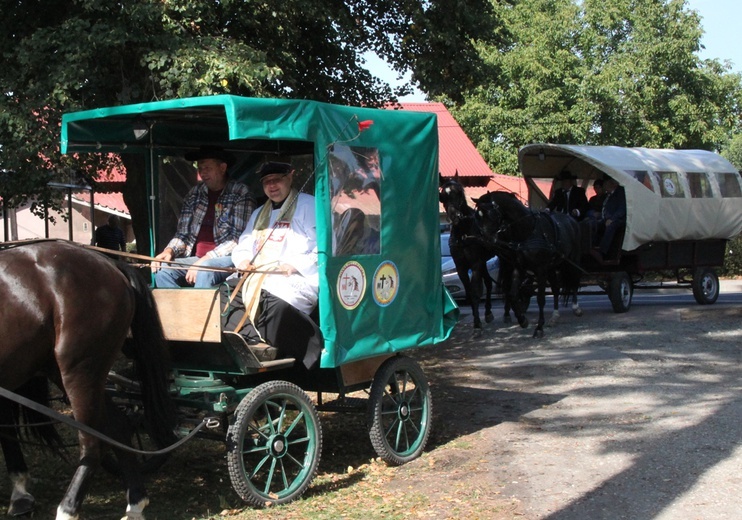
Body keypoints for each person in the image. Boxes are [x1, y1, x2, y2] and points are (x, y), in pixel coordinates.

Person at [222, 161, 320, 368]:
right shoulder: (259, 213)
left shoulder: (309, 205)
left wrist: (293, 265)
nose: (272, 186)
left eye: (277, 180)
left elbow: (321, 246)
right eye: (267, 182)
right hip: (258, 276)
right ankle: (250, 341)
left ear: (290, 177)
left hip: (294, 278)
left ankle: (305, 348)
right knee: (222, 293)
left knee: (270, 298)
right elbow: (244, 244)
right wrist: (243, 261)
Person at [151, 145, 255, 288]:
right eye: (200, 168)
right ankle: (179, 310)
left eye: (207, 168)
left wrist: (205, 260)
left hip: (229, 259)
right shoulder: (195, 193)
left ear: (223, 168)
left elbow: (238, 239)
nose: (203, 173)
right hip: (197, 259)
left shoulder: (241, 193)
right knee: (162, 270)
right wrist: (169, 250)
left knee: (204, 270)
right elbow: (183, 233)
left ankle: (199, 310)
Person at [593, 176, 626, 259]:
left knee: (610, 226)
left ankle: (603, 251)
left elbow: (622, 209)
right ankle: (593, 245)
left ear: (611, 184)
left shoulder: (620, 193)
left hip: (620, 219)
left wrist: (612, 219)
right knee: (593, 223)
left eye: (605, 184)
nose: (604, 186)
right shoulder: (609, 195)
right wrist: (605, 218)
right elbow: (607, 209)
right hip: (609, 218)